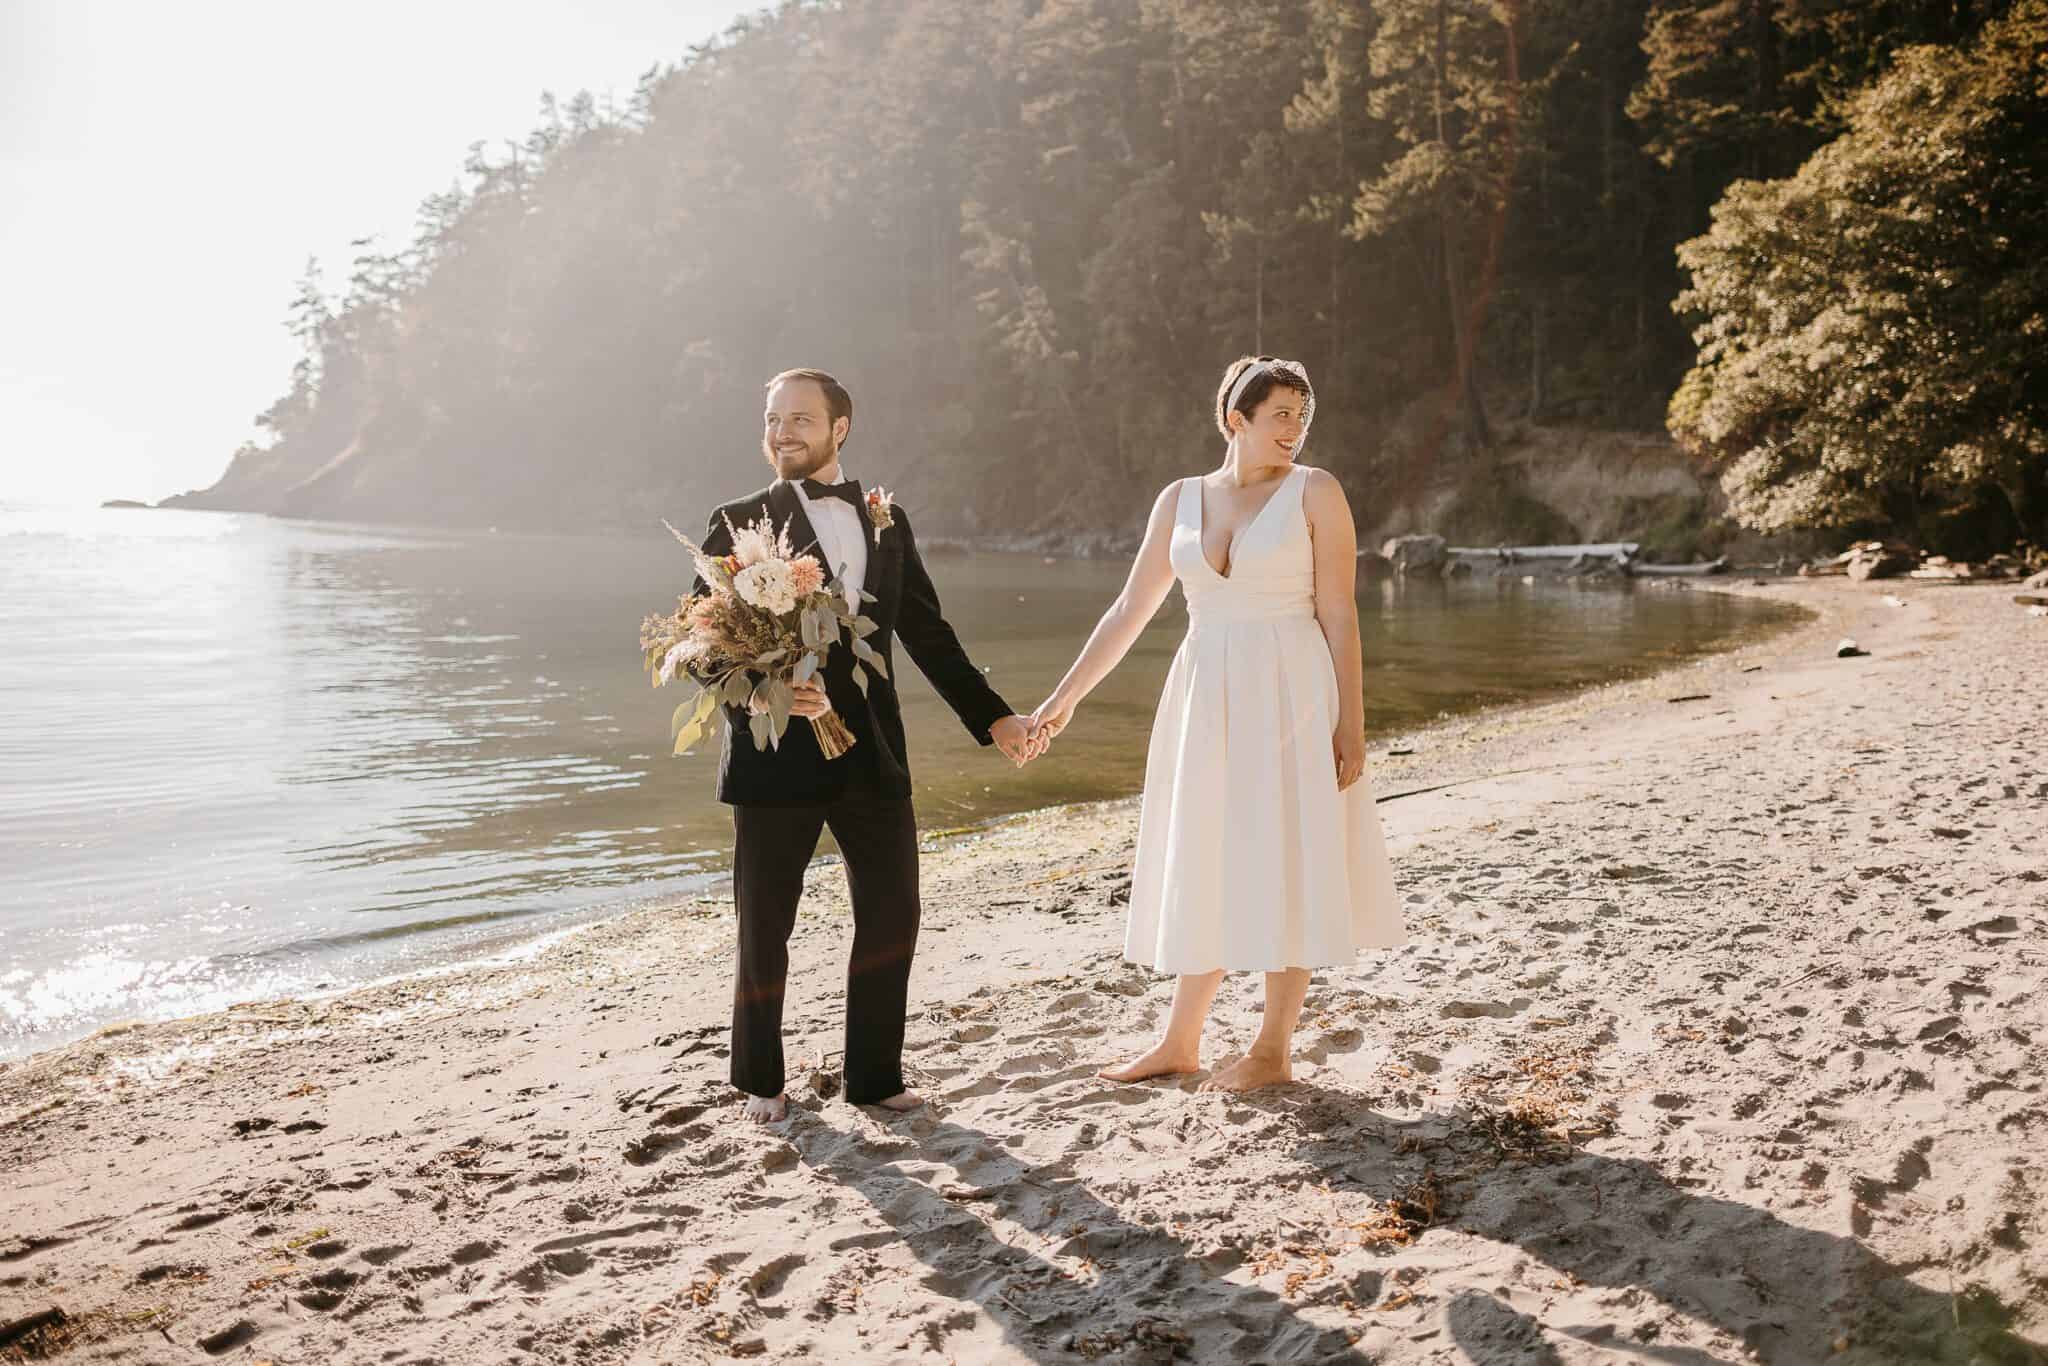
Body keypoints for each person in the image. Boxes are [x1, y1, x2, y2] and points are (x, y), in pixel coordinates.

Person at [1029, 356, 1403, 1091]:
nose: (1295, 429)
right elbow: (1129, 610)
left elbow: (1339, 611)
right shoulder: (1180, 499)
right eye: (1281, 415)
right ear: (1237, 419)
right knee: (1207, 853)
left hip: (1293, 686)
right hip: (1205, 692)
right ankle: (1181, 1041)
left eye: (1303, 415)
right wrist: (1061, 701)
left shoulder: (1316, 493)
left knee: (1286, 855)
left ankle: (1272, 1049)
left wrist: (1351, 725)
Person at [692, 368, 1043, 1122]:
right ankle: (760, 1081)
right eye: (773, 418)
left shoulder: (887, 520)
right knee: (765, 925)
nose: (782, 432)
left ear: (838, 428)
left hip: (871, 753)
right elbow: (701, 646)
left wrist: (997, 720)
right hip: (773, 757)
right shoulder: (735, 519)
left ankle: (875, 1079)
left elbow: (927, 633)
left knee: (892, 915)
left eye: (800, 419)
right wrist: (767, 690)